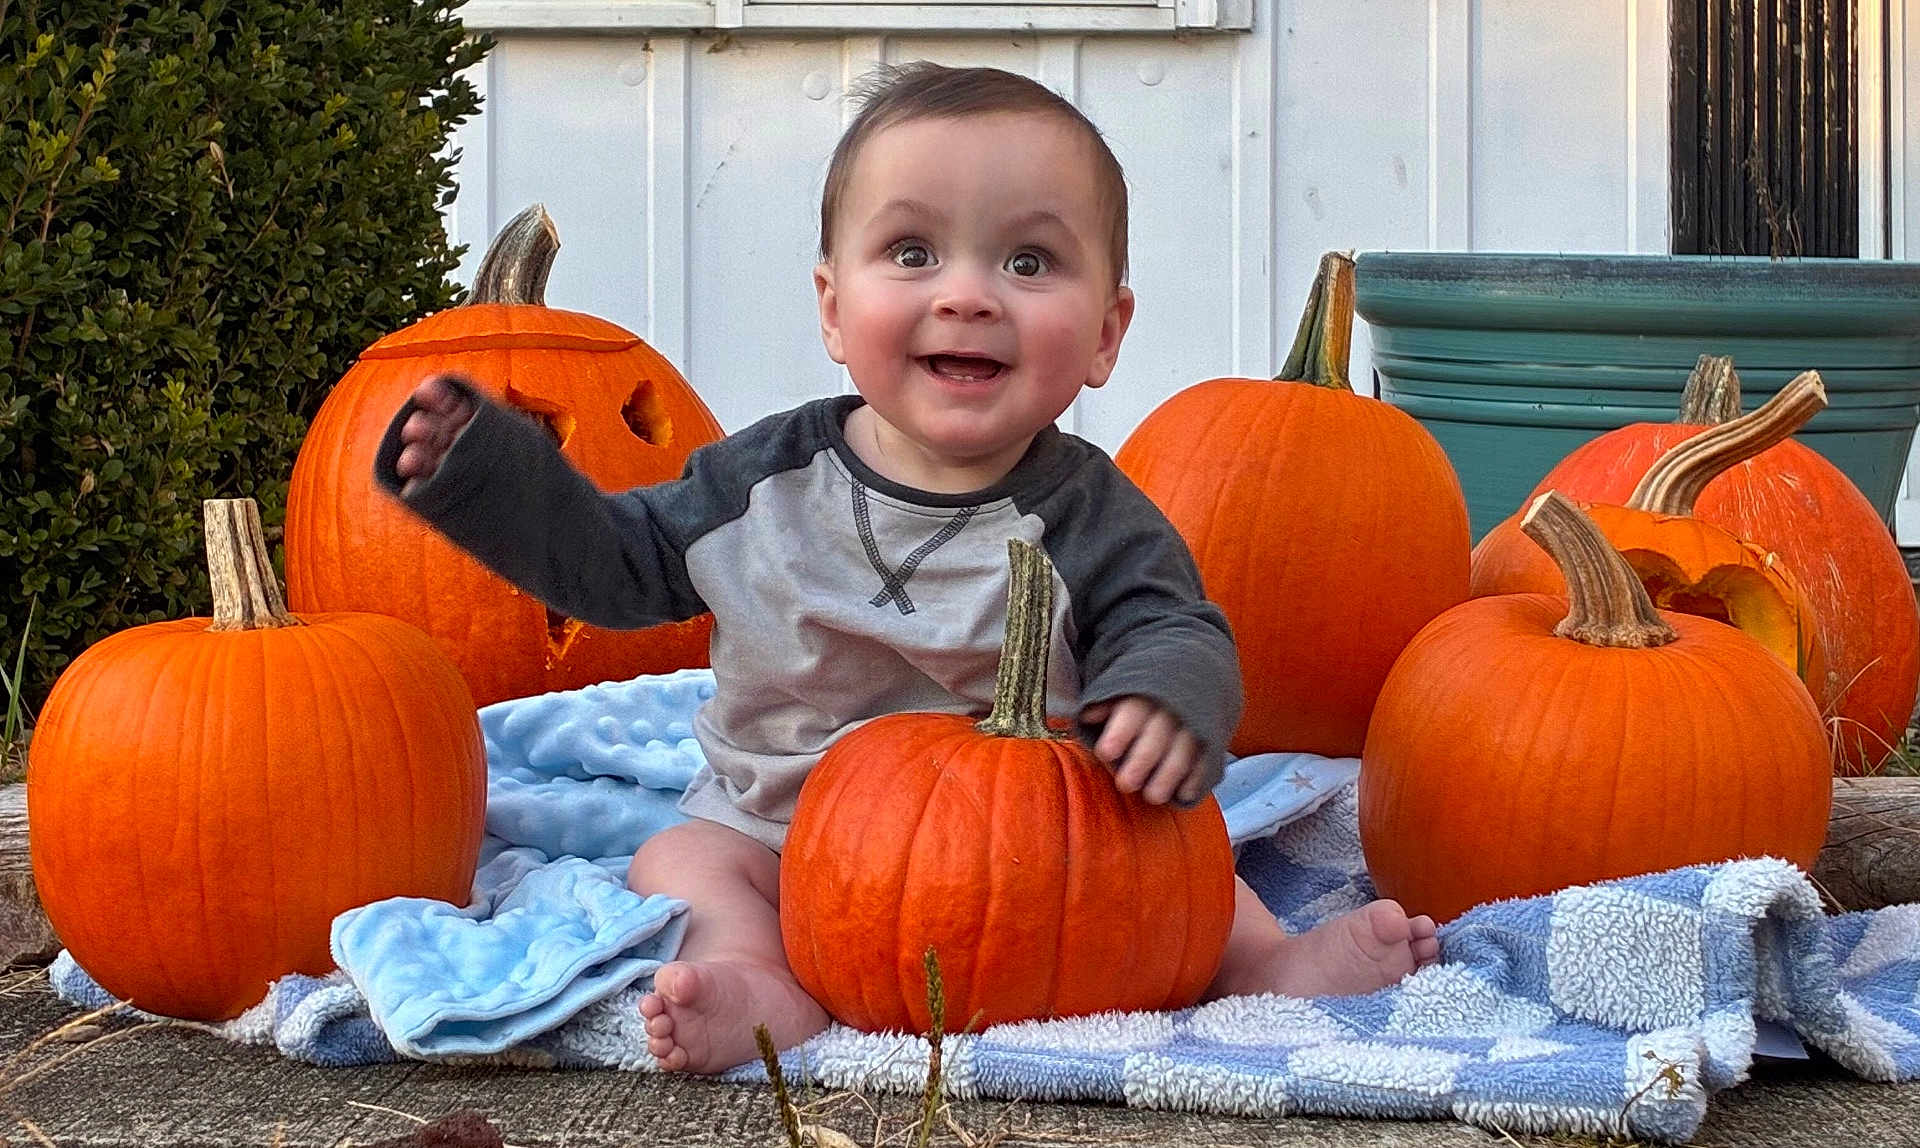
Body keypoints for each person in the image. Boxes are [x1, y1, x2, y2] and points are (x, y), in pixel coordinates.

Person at [377, 61, 1440, 1075]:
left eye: (1029, 262)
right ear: (835, 308)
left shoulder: (1091, 514)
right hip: (784, 831)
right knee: (680, 862)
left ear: (1107, 333)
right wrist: (496, 481)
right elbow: (616, 566)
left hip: (1043, 851)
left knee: (1183, 847)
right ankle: (762, 981)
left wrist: (1166, 698)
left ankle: (1263, 963)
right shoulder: (763, 482)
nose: (969, 293)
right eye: (914, 253)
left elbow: (1174, 623)